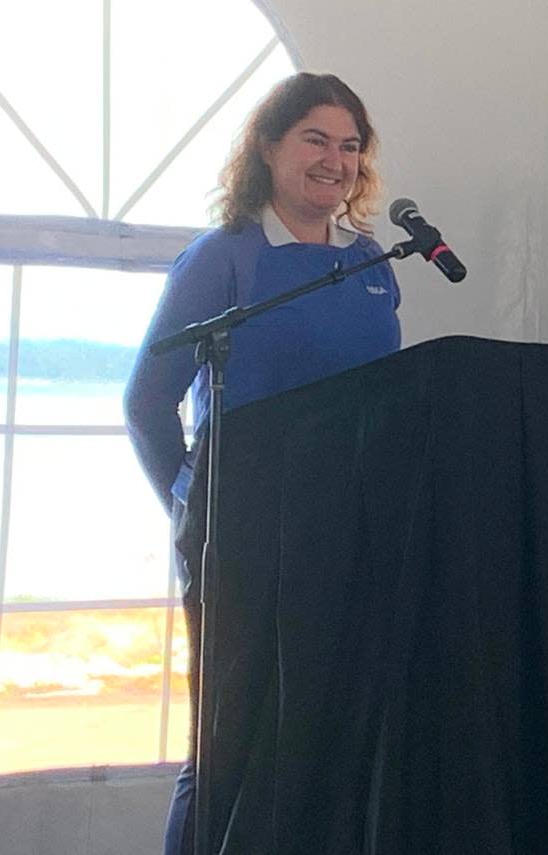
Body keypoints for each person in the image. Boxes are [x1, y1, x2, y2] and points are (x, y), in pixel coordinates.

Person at [123, 72, 400, 855]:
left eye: (350, 145)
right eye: (316, 138)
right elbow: (147, 402)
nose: (335, 159)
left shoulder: (372, 260)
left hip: (351, 536)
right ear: (269, 146)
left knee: (336, 735)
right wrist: (192, 501)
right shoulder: (225, 259)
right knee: (229, 742)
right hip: (244, 540)